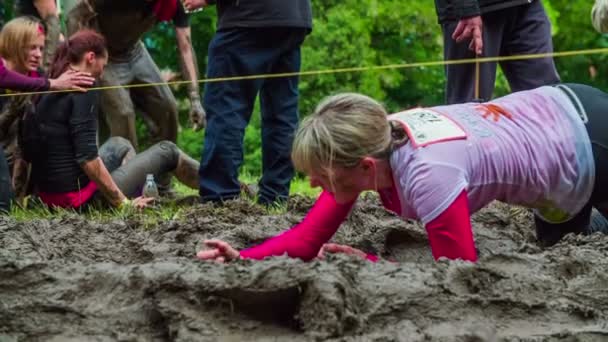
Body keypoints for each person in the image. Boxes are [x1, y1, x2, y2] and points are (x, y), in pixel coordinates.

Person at [197, 83, 608, 263]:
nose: (312, 184)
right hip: (555, 112)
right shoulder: (374, 135)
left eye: (319, 175)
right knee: (564, 242)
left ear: (364, 168)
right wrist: (242, 257)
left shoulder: (428, 175)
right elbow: (308, 239)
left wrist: (368, 260)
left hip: (589, 147)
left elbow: (459, 270)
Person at [21, 29, 200, 210]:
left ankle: (144, 198)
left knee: (120, 144)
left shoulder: (52, 83)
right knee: (168, 151)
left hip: (51, 199)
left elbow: (29, 155)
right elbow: (87, 159)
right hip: (80, 202)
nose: (102, 72)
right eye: (103, 65)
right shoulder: (85, 86)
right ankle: (218, 184)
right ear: (91, 57)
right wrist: (123, 204)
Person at [182, 0, 312, 206]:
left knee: (226, 108)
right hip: (292, 17)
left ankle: (220, 195)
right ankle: (275, 195)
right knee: (282, 113)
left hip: (247, 16)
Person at [67, 0, 206, 156]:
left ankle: (162, 175)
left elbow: (185, 46)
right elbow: (75, 16)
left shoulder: (171, 4)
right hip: (103, 54)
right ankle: (129, 175)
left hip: (134, 52)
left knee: (168, 108)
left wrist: (194, 98)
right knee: (123, 113)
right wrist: (80, 67)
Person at [0, 18, 94, 214]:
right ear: (15, 45)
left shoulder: (37, 75)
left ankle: (29, 195)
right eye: (31, 48)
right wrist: (52, 84)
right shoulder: (6, 72)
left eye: (41, 49)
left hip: (18, 154)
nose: (38, 54)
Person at [434, 0, 560, 104]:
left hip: (528, 7)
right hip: (473, 14)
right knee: (469, 107)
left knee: (546, 101)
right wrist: (466, 8)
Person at [14, 0, 62, 70]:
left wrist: (47, 64)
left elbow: (53, 25)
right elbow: (53, 24)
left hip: (36, 50)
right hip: (30, 46)